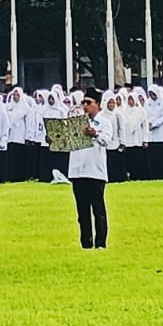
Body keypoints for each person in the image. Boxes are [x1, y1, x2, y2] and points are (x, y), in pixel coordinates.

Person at [68, 90, 115, 249]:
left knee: (98, 210)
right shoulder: (76, 121)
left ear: (98, 105)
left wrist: (95, 134)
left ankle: (100, 242)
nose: (86, 106)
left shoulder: (104, 122)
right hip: (77, 170)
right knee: (82, 211)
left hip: (95, 171)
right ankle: (85, 242)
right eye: (84, 103)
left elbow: (107, 141)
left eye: (89, 103)